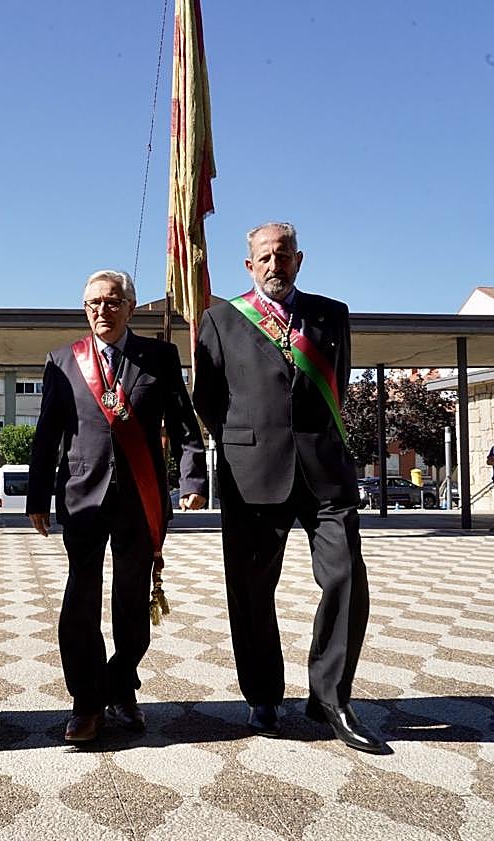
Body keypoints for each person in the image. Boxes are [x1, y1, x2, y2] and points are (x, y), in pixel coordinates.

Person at [192, 222, 388, 755]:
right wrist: (244, 443)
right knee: (252, 591)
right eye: (264, 256)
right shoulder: (221, 319)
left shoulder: (331, 314)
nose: (274, 264)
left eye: (283, 255)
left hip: (324, 472)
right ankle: (262, 695)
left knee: (346, 576)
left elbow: (337, 385)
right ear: (249, 265)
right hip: (252, 474)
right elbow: (206, 400)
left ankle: (331, 698)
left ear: (299, 260)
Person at [26, 269, 206, 742]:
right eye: (93, 305)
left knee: (131, 602)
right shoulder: (63, 360)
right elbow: (48, 433)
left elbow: (185, 427)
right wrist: (37, 494)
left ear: (130, 305)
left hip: (139, 498)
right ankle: (86, 702)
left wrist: (192, 479)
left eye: (111, 302)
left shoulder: (160, 357)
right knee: (79, 602)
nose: (101, 312)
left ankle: (122, 684)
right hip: (83, 497)